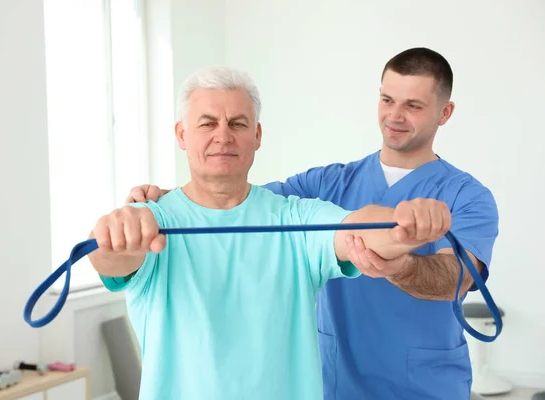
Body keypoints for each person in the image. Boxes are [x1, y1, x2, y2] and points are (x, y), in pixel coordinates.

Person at [125, 48, 499, 399]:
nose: (395, 116)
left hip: (421, 383)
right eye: (387, 100)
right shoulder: (327, 184)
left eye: (413, 105)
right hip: (337, 380)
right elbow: (239, 199)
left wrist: (401, 266)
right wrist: (168, 197)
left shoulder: (466, 195)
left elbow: (458, 276)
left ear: (444, 112)